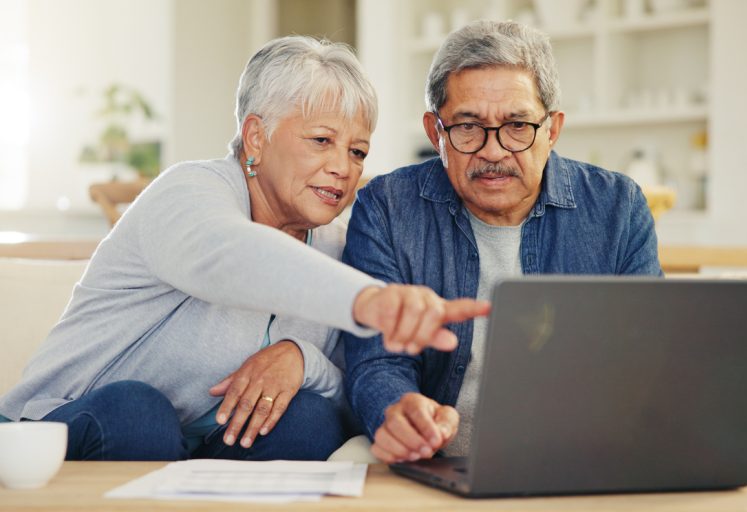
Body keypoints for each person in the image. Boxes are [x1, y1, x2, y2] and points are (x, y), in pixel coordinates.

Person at [0, 36, 489, 462]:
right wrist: (369, 300)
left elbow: (352, 385)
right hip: (53, 430)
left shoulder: (338, 245)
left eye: (357, 151)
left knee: (310, 418)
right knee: (139, 413)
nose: (344, 167)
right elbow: (231, 255)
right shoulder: (188, 193)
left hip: (199, 448)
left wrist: (301, 358)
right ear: (256, 137)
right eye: (322, 140)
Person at [343, 20, 663, 463]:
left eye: (516, 125)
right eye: (468, 127)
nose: (493, 152)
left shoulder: (617, 207)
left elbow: (647, 356)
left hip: (580, 458)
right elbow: (375, 360)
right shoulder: (386, 207)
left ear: (552, 130)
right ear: (436, 134)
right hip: (434, 461)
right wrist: (397, 409)